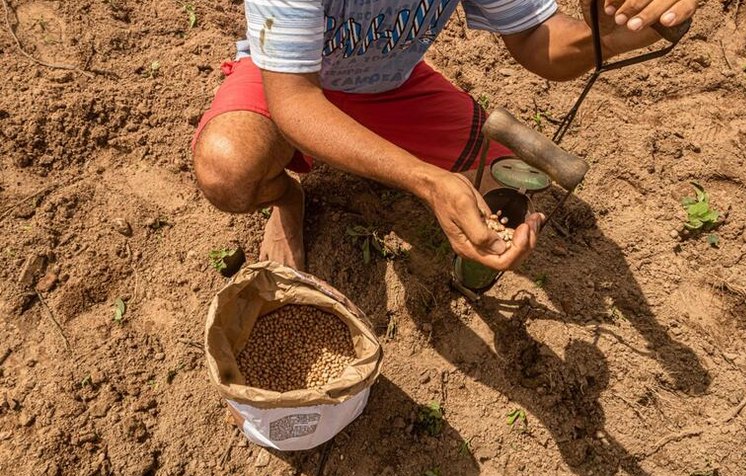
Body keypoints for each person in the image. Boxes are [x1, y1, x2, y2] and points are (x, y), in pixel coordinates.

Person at [192, 0, 696, 272]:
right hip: (291, 80)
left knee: (508, 196)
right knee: (227, 170)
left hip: (393, 87)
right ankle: (288, 198)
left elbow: (537, 40)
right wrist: (427, 180)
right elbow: (296, 101)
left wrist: (619, 28)